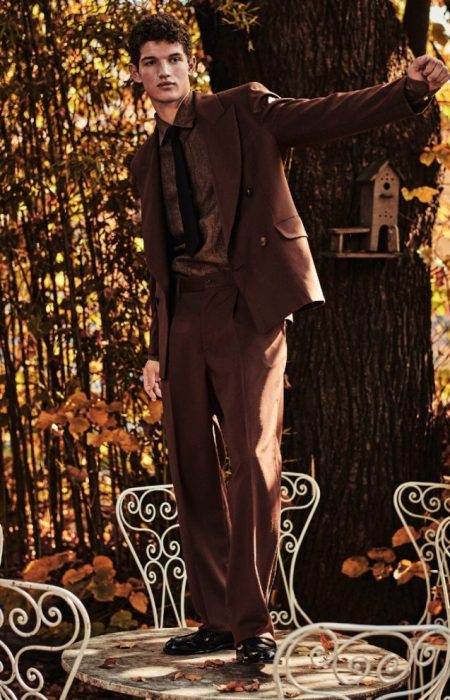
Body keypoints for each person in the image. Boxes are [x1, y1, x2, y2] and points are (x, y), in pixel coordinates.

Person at [127, 12, 449, 664]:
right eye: (152, 63)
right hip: (184, 316)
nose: (165, 72)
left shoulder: (242, 111)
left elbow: (326, 114)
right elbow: (159, 267)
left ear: (190, 65)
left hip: (246, 308)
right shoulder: (143, 159)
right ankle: (216, 619)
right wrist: (157, 349)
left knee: (252, 459)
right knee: (190, 467)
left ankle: (253, 626)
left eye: (174, 59)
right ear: (137, 75)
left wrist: (408, 91)